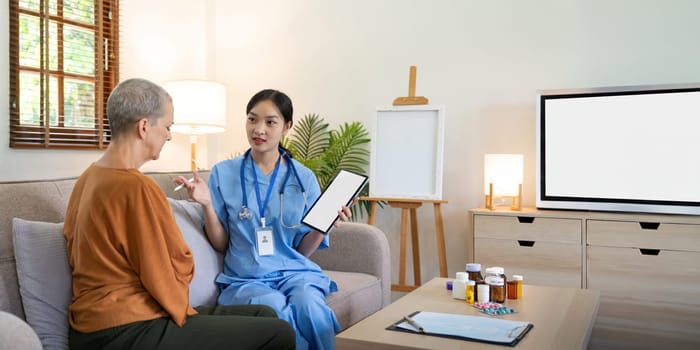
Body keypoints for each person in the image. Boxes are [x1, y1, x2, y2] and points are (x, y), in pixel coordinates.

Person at [63, 78, 295, 350]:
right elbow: (165, 270)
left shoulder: (89, 177)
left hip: (94, 325)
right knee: (279, 333)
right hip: (127, 327)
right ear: (144, 127)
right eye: (168, 127)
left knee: (263, 315)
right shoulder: (136, 187)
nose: (170, 136)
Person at [177, 89, 352, 350]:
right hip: (246, 278)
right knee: (274, 310)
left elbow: (303, 250)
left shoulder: (303, 178)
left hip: (295, 273)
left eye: (270, 122)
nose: (259, 129)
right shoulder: (224, 173)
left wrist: (323, 225)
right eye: (252, 119)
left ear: (287, 126)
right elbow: (221, 244)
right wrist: (207, 206)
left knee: (311, 308)